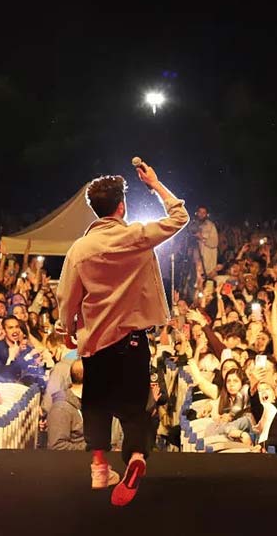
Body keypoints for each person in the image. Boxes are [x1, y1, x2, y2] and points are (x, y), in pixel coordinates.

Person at [57, 163, 189, 505]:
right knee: (135, 408)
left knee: (96, 404)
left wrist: (66, 328)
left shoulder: (79, 250)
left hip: (96, 342)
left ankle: (99, 468)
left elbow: (67, 296)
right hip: (132, 341)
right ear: (121, 206)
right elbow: (179, 218)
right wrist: (156, 185)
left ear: (94, 208)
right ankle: (135, 458)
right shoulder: (136, 236)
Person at [47, 360, 87, 450]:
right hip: (75, 462)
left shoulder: (86, 403)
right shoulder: (61, 409)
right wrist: (94, 449)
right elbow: (57, 447)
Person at [190, 206, 218, 278]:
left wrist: (201, 238)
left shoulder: (211, 226)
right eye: (200, 212)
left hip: (207, 262)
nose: (201, 214)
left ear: (206, 214)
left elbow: (214, 243)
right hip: (194, 262)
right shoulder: (192, 225)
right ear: (197, 213)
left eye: (204, 213)